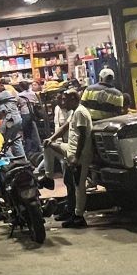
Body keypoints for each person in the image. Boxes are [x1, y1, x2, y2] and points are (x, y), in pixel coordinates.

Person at [59, 89, 95, 228]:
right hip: (72, 151)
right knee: (49, 146)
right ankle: (48, 177)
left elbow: (82, 136)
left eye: (65, 99)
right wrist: (51, 139)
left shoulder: (80, 112)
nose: (63, 103)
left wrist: (76, 157)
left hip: (80, 155)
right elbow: (65, 127)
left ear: (73, 99)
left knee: (79, 186)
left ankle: (79, 216)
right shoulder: (75, 112)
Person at [0, 78, 23, 144]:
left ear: (2, 85)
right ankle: (20, 152)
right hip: (17, 117)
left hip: (11, 119)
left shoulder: (6, 92)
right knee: (15, 139)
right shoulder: (12, 91)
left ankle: (5, 150)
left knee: (2, 135)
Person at [16, 80, 43, 157]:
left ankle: (28, 149)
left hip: (25, 114)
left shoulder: (20, 95)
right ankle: (36, 148)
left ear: (21, 87)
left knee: (27, 133)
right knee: (34, 131)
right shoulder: (33, 93)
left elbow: (16, 104)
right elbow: (38, 102)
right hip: (33, 113)